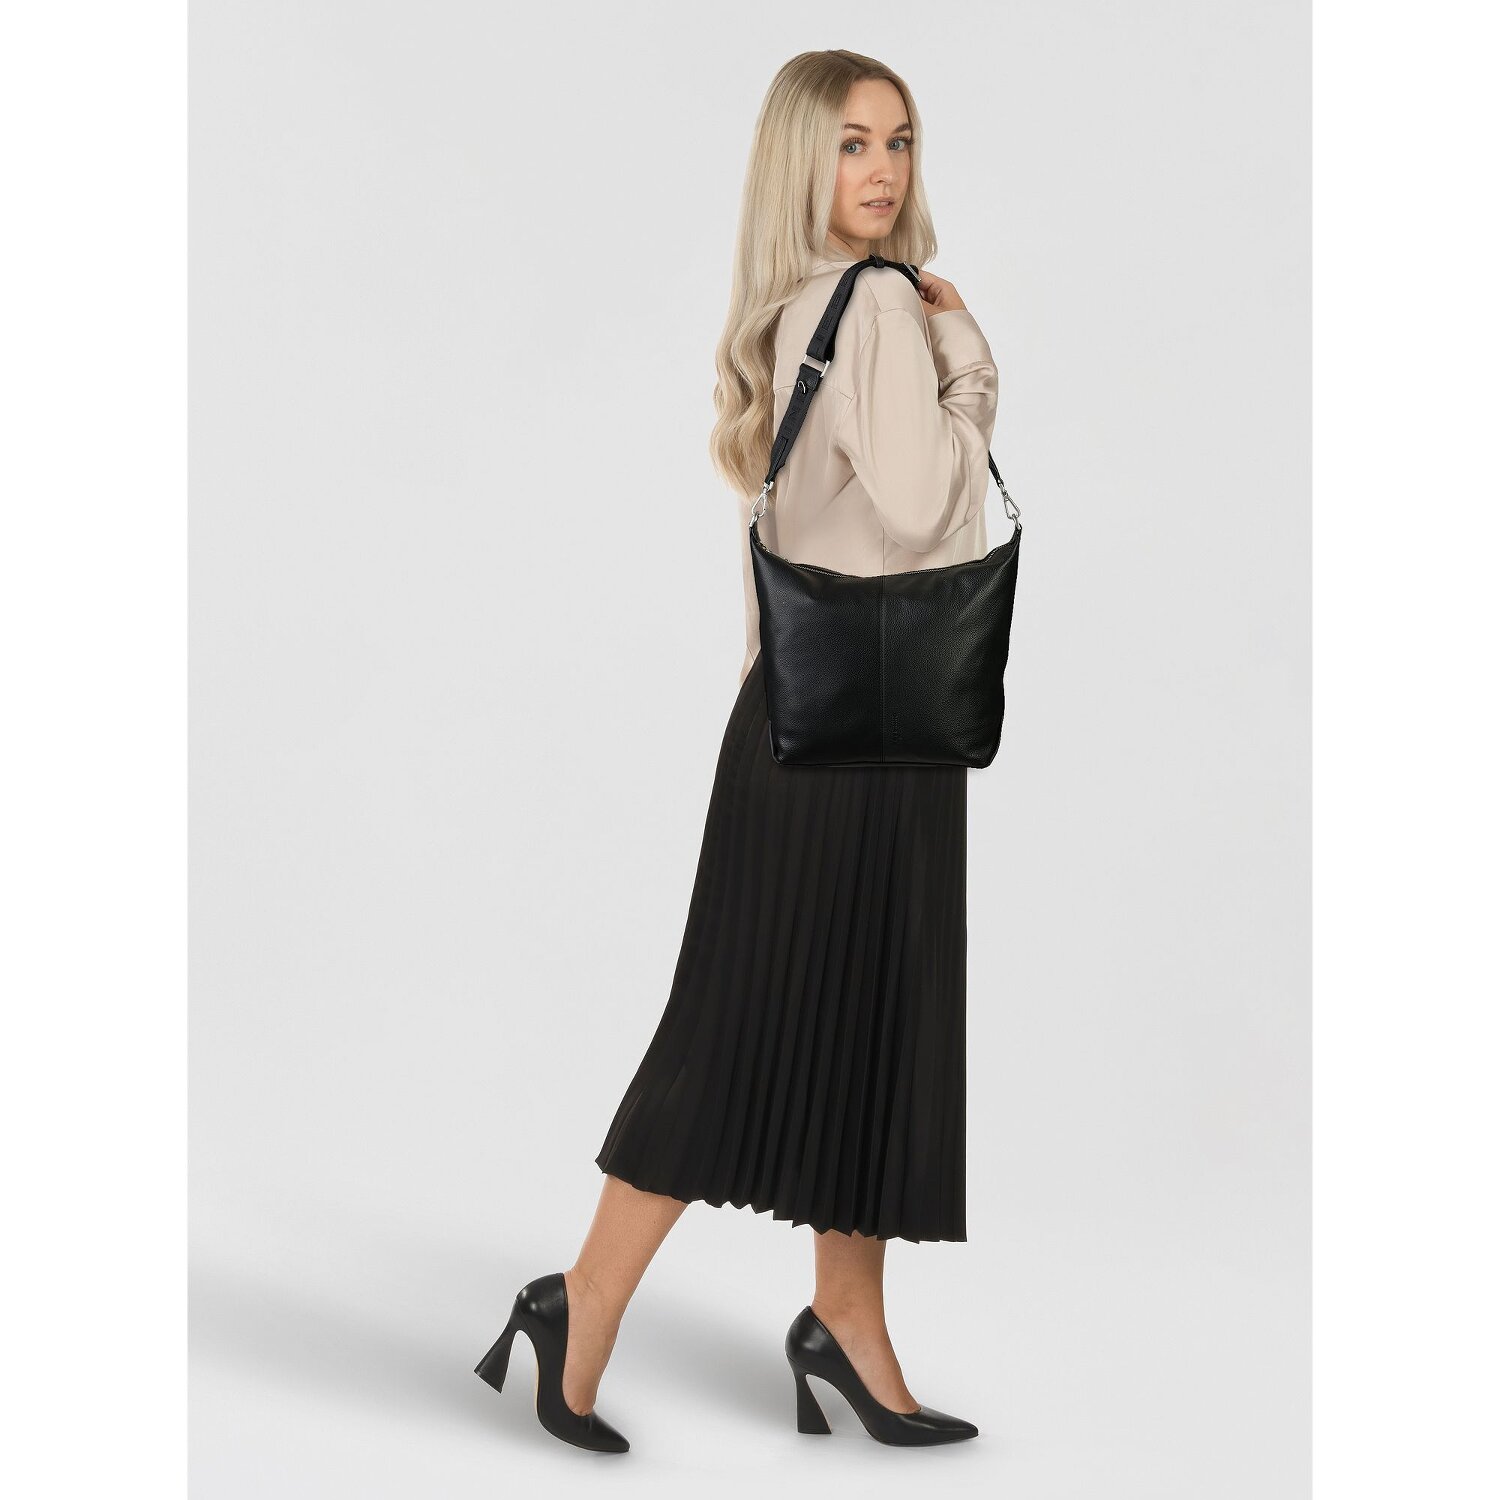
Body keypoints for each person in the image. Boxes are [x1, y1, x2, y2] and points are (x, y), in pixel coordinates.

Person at [474, 49, 1001, 1453]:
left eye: (899, 140)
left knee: (864, 1029)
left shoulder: (797, 308)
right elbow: (925, 510)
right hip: (863, 738)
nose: (882, 169)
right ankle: (580, 1301)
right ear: (799, 163)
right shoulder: (880, 306)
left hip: (808, 720)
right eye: (851, 144)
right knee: (738, 1036)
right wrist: (970, 357)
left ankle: (847, 1325)